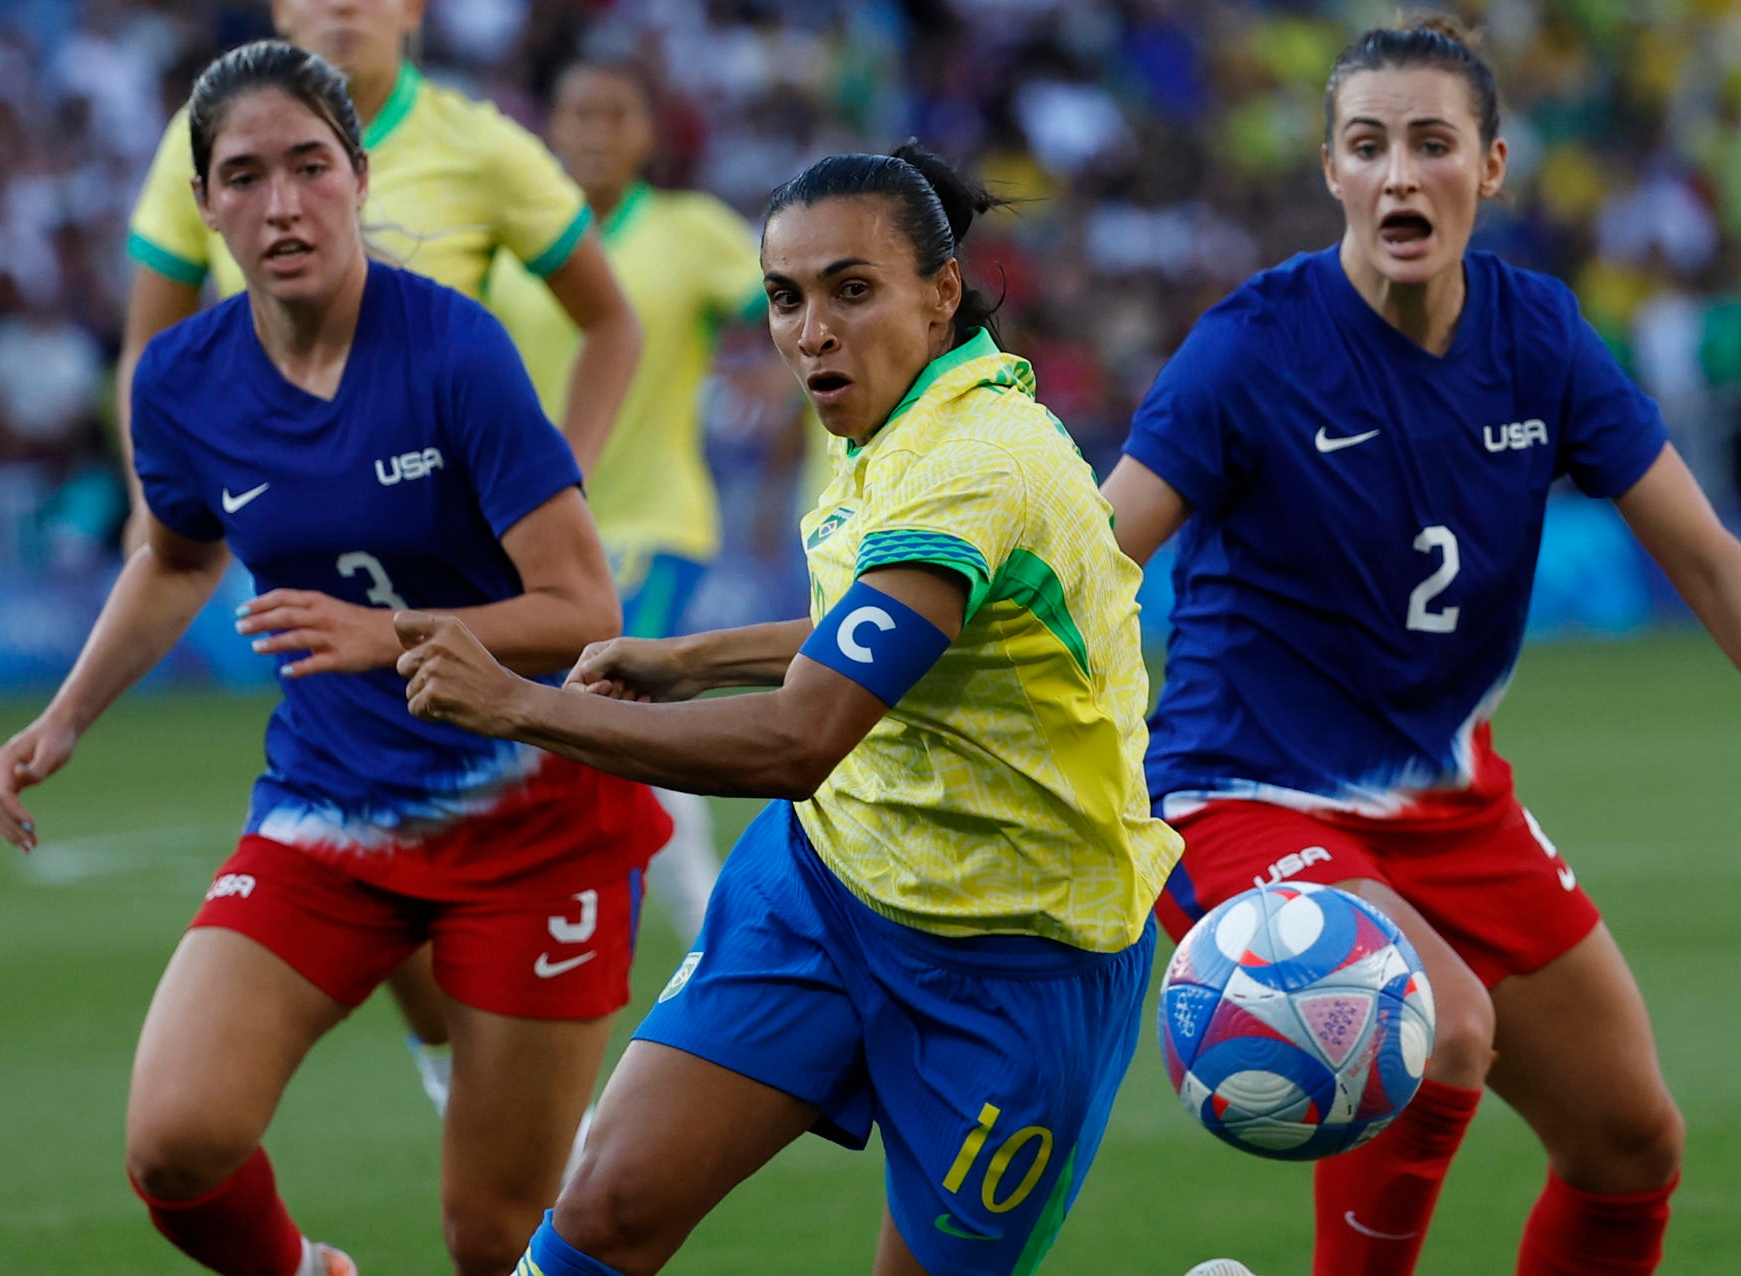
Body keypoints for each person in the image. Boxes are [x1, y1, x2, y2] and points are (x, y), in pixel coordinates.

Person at [1101, 17, 1741, 1276]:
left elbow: (1704, 552)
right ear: (1330, 168)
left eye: (1432, 144)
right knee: (1440, 1028)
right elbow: (1092, 563)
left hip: (1450, 802)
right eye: (1367, 145)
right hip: (1245, 800)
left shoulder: (1536, 337)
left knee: (1632, 1143)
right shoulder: (1248, 350)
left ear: (1491, 165)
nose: (1398, 175)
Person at [392, 142, 1183, 1276]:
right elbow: (890, 640)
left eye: (850, 290)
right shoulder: (901, 421)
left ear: (940, 293)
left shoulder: (977, 465)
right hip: (827, 887)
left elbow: (804, 735)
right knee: (603, 1208)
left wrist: (517, 704)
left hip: (1022, 965)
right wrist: (692, 658)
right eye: (785, 297)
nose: (811, 329)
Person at [0, 42, 669, 1276]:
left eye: (310, 166)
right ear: (204, 206)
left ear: (359, 174)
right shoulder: (181, 378)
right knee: (175, 1145)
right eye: (244, 176)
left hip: (530, 822)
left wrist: (390, 634)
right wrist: (66, 715)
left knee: (497, 1236)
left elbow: (581, 602)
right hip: (330, 807)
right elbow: (179, 557)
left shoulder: (454, 351)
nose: (282, 203)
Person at [118, 0, 643, 1106]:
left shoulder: (482, 149)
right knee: (372, 814)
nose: (338, 6)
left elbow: (610, 322)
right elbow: (149, 337)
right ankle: (453, 1060)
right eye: (248, 179)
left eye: (311, 169)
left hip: (469, 559)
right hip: (305, 526)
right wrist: (153, 492)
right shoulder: (198, 136)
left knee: (500, 1213)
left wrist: (557, 478)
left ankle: (509, 1085)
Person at [522, 52, 781, 942]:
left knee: (612, 708)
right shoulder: (512, 237)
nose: (595, 132)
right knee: (580, 733)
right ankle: (701, 924)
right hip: (531, 534)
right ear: (550, 128)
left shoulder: (689, 229)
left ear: (647, 134)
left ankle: (707, 931)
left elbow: (788, 303)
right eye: (579, 114)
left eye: (615, 115)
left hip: (651, 521)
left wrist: (786, 393)